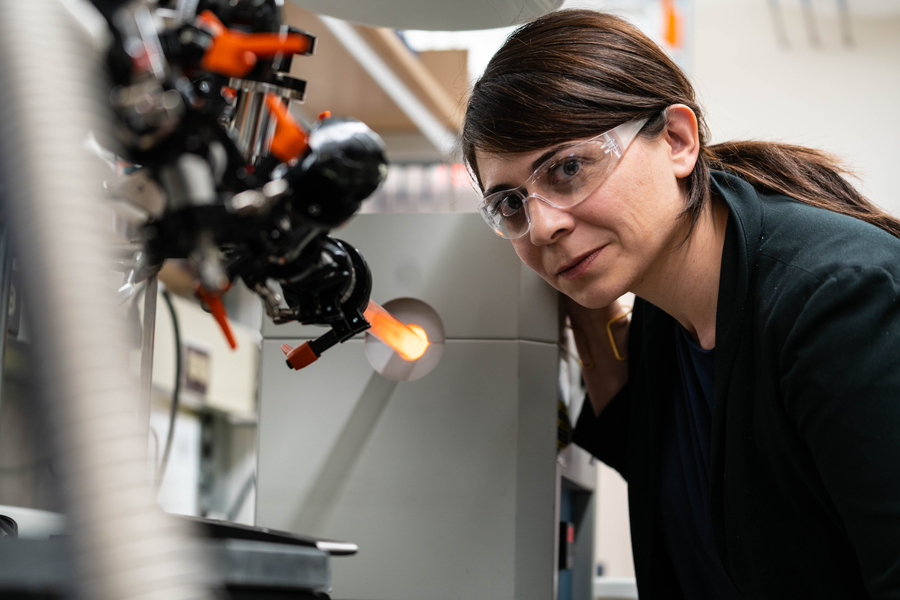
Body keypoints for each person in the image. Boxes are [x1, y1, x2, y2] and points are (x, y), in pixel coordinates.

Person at [461, 9, 900, 599]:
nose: (541, 227)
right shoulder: (667, 314)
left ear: (676, 140)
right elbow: (655, 454)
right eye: (512, 204)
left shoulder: (837, 300)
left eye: (567, 169)